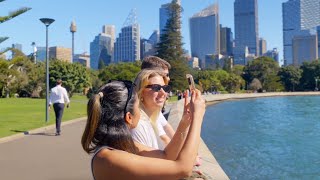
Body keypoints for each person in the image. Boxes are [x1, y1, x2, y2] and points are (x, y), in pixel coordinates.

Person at [81, 79, 206, 179]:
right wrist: (197, 118)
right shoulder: (109, 158)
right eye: (137, 107)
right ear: (129, 117)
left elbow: (167, 156)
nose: (140, 111)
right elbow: (183, 169)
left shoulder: (121, 146)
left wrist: (185, 122)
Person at [140, 56, 175, 146]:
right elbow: (166, 143)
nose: (168, 78)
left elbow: (167, 128)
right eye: (165, 75)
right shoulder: (140, 119)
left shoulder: (153, 110)